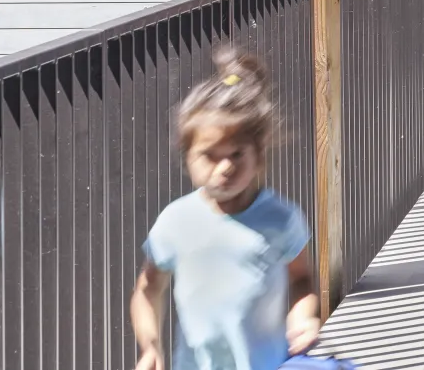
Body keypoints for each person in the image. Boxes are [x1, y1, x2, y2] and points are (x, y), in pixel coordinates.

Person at [131, 48, 321, 370]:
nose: (225, 167)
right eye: (210, 155)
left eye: (236, 154)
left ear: (258, 155)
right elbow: (148, 290)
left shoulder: (281, 218)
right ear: (187, 158)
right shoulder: (175, 221)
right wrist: (150, 347)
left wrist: (304, 316)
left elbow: (302, 279)